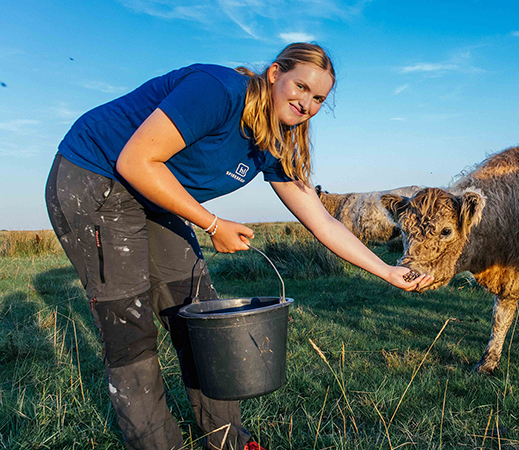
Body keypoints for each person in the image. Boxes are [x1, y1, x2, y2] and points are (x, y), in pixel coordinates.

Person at [45, 42, 432, 450]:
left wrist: (387, 271)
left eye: (319, 98)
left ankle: (229, 443)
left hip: (153, 198)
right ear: (274, 74)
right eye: (300, 87)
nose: (307, 104)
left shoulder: (276, 140)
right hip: (96, 180)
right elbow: (135, 161)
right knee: (131, 329)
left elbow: (323, 221)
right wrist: (213, 224)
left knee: (203, 319)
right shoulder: (217, 90)